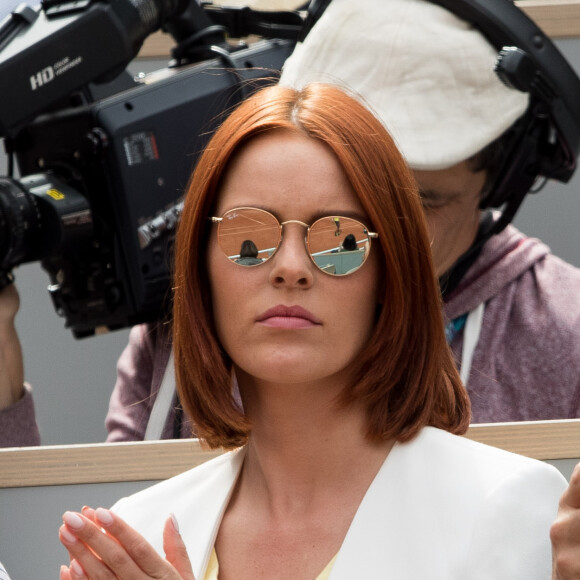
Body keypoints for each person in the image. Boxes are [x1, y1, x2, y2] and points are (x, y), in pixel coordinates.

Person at [57, 82, 567, 580]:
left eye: (340, 240)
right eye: (248, 234)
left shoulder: (504, 504)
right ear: (201, 270)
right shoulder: (137, 532)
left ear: (391, 277)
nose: (290, 267)